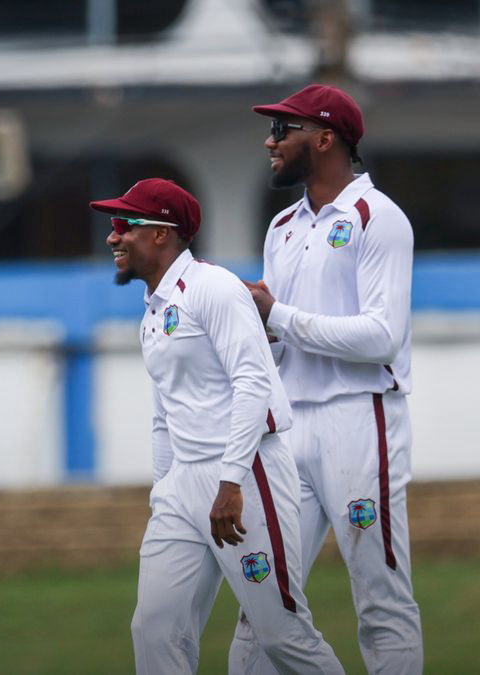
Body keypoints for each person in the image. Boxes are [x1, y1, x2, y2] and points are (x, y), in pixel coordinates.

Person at [92, 178, 344, 674]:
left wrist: (229, 481)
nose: (113, 237)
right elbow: (164, 414)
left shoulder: (214, 288)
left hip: (246, 476)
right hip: (182, 487)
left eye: (125, 225)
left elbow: (253, 382)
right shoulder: (152, 311)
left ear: (163, 233)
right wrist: (164, 489)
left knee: (281, 633)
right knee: (155, 629)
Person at [231, 84, 422, 675]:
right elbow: (278, 331)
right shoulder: (283, 226)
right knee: (262, 607)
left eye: (282, 131)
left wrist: (277, 316)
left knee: (380, 597)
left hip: (357, 422)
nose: (270, 141)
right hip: (290, 428)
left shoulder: (378, 217)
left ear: (325, 137)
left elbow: (381, 337)